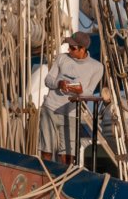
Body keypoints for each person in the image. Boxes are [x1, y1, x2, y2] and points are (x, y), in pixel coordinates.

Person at [38, 31, 104, 162]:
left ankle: (65, 180)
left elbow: (89, 92)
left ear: (83, 49)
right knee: (46, 151)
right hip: (50, 108)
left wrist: (78, 91)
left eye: (73, 48)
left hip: (72, 113)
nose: (69, 50)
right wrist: (59, 83)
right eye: (69, 46)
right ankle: (44, 175)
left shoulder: (97, 67)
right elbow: (48, 80)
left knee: (68, 156)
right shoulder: (61, 58)